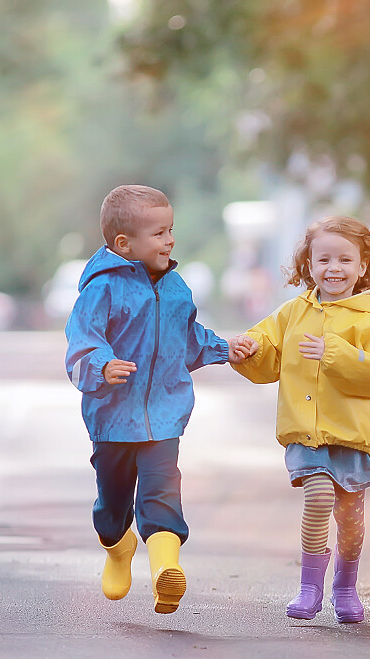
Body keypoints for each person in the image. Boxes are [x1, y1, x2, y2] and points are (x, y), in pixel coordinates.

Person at [64, 185, 257, 614]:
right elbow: (81, 342)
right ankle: (119, 547)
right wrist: (101, 365)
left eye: (170, 231)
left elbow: (187, 338)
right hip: (113, 419)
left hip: (164, 417)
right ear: (123, 244)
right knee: (112, 506)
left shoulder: (176, 289)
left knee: (162, 492)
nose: (170, 241)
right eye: (158, 234)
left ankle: (166, 571)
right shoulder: (101, 290)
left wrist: (225, 348)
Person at [231, 216, 370, 624]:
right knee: (319, 495)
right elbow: (269, 353)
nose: (334, 268)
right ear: (309, 265)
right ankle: (309, 587)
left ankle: (345, 586)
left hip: (351, 437)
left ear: (362, 267)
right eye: (323, 259)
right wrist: (248, 350)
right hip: (306, 433)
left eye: (344, 259)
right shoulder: (292, 312)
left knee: (350, 520)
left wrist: (333, 352)